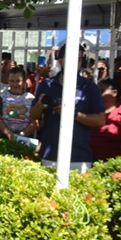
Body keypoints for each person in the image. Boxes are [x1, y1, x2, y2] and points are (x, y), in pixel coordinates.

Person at [30, 43, 106, 172]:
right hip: (50, 155)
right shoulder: (47, 85)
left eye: (78, 59)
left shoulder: (90, 88)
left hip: (79, 158)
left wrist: (73, 114)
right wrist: (39, 106)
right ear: (60, 60)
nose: (74, 62)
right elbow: (33, 116)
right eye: (70, 57)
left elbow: (100, 120)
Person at [0, 66, 37, 140]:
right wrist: (9, 134)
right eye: (12, 81)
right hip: (4, 138)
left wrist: (21, 135)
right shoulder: (1, 97)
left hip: (25, 138)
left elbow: (35, 122)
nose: (15, 84)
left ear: (24, 81)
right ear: (8, 81)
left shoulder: (31, 98)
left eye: (18, 81)